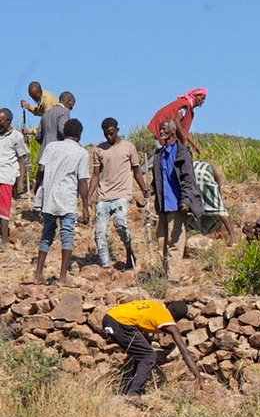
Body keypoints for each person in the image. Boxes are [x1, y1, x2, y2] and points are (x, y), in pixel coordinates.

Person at [33, 118, 90, 286]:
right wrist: (85, 207)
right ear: (79, 135)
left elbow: (40, 171)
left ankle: (38, 274)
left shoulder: (51, 147)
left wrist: (36, 190)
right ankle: (63, 277)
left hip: (49, 197)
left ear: (64, 133)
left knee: (47, 236)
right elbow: (82, 182)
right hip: (67, 199)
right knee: (67, 236)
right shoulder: (81, 153)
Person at [88, 118, 151, 270]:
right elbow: (96, 175)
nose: (109, 137)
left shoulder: (129, 147)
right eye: (106, 134)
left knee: (121, 224)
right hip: (104, 195)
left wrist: (144, 189)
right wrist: (88, 197)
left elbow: (136, 170)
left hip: (122, 194)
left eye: (111, 133)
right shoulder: (99, 150)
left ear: (117, 130)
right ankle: (105, 266)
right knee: (100, 232)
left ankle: (129, 251)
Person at [103, 299, 201, 396]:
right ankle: (133, 394)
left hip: (109, 317)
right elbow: (184, 352)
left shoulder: (155, 305)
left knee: (143, 350)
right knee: (149, 356)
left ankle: (131, 384)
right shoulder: (168, 322)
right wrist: (198, 376)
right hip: (120, 324)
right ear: (178, 319)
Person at [151, 119, 203, 282]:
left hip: (177, 204)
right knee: (161, 242)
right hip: (163, 205)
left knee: (175, 242)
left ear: (173, 131)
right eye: (160, 129)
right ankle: (164, 275)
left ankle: (172, 278)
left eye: (164, 129)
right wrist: (148, 191)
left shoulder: (182, 153)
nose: (161, 132)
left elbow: (188, 179)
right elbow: (157, 180)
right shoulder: (159, 155)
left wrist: (186, 200)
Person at [0, 108, 30, 249]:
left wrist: (21, 181)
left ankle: (4, 241)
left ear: (8, 121)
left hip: (6, 176)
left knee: (3, 210)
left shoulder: (16, 136)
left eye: (0, 120)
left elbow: (22, 158)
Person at [148, 89, 207, 156]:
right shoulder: (185, 106)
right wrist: (184, 139)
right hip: (161, 127)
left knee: (166, 154)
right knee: (162, 155)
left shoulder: (188, 109)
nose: (203, 101)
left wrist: (195, 146)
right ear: (195, 96)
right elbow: (177, 121)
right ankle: (144, 166)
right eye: (202, 98)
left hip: (166, 130)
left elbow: (184, 131)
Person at [190, 160, 236, 240]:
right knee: (220, 210)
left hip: (191, 176)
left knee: (192, 205)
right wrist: (218, 202)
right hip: (203, 176)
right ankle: (233, 237)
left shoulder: (196, 164)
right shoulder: (213, 170)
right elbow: (217, 189)